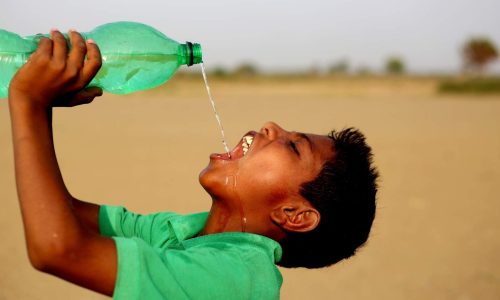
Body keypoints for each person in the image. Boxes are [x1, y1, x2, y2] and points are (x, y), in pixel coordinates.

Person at [8, 29, 379, 299]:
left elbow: (57, 249)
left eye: (295, 147)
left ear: (294, 214)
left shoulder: (240, 278)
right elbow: (57, 212)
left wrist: (29, 102)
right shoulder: (185, 232)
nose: (271, 126)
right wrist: (43, 103)